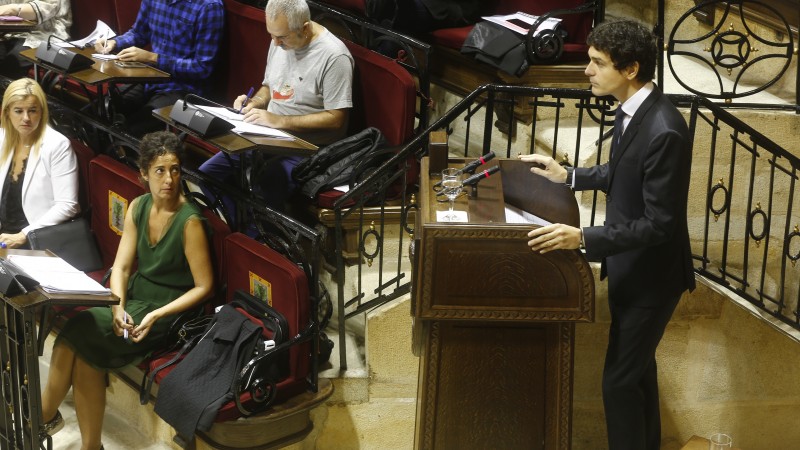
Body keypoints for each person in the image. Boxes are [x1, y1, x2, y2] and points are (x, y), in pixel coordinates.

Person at [519, 19, 695, 450]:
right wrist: (571, 175)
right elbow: (624, 174)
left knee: (618, 383)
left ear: (630, 69)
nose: (587, 71)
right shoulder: (633, 110)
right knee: (637, 377)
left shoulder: (665, 129)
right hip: (630, 270)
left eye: (598, 63)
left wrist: (582, 238)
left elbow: (659, 223)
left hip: (652, 280)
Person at [39, 131, 214, 449]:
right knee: (84, 347)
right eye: (160, 170)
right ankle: (77, 438)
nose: (169, 179)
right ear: (144, 174)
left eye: (175, 169)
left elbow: (204, 286)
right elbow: (120, 268)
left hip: (167, 311)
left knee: (79, 336)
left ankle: (41, 423)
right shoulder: (138, 206)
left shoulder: (190, 222)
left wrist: (157, 313)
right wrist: (117, 306)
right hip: (133, 297)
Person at [199, 0, 353, 214]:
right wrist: (254, 102)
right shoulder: (280, 39)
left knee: (268, 183)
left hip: (307, 147)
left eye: (281, 37)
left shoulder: (335, 56)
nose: (275, 43)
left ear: (305, 28)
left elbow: (336, 119)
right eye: (271, 34)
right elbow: (269, 87)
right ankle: (243, 234)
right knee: (208, 174)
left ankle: (259, 240)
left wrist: (279, 120)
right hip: (267, 134)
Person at [94, 0, 224, 136]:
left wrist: (153, 58)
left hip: (184, 89)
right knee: (101, 110)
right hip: (150, 79)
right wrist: (114, 42)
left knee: (129, 131)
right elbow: (139, 33)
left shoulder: (209, 7)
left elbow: (202, 68)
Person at [0, 77, 78, 248]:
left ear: (42, 112)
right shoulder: (2, 137)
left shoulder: (57, 145)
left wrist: (24, 234)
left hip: (35, 237)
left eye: (33, 111)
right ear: (6, 112)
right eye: (18, 111)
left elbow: (68, 205)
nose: (26, 118)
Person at [0, 0, 71, 77]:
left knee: (12, 61)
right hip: (10, 34)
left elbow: (43, 9)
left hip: (43, 35)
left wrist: (12, 9)